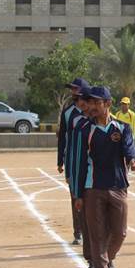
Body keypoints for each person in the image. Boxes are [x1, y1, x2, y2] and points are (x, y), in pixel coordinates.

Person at [74, 86, 135, 268]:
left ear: (108, 104)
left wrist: (133, 159)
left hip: (118, 186)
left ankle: (107, 258)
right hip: (92, 188)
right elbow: (79, 163)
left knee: (119, 232)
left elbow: (129, 149)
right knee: (96, 234)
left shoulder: (122, 128)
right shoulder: (85, 129)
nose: (92, 106)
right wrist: (78, 193)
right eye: (90, 103)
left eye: (96, 103)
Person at [57, 78, 90, 244]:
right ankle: (78, 232)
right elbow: (62, 137)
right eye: (71, 89)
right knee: (75, 196)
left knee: (91, 198)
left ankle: (90, 230)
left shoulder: (93, 111)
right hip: (72, 161)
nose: (73, 92)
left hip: (90, 163)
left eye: (75, 89)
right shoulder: (68, 112)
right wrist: (60, 161)